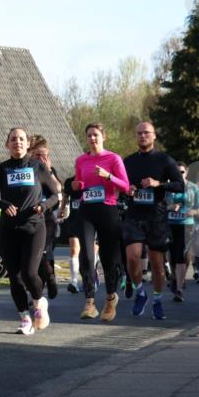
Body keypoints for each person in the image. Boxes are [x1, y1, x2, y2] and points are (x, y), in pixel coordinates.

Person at [0, 127, 59, 335]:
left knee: (29, 273)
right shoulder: (1, 170)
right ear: (7, 144)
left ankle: (38, 301)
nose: (18, 142)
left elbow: (55, 196)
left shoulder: (38, 167)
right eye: (13, 139)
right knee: (14, 278)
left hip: (34, 226)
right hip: (9, 229)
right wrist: (3, 203)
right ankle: (25, 318)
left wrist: (43, 206)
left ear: (27, 144)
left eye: (21, 139)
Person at [122, 122, 184, 320]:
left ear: (154, 136)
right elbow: (121, 185)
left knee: (157, 264)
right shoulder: (128, 161)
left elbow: (180, 186)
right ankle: (140, 291)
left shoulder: (164, 160)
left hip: (156, 216)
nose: (142, 136)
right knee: (132, 257)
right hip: (134, 214)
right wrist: (128, 190)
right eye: (139, 133)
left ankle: (157, 299)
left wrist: (159, 184)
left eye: (146, 133)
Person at [71, 123, 131, 321]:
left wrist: (109, 176)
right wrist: (76, 186)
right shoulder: (81, 160)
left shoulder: (113, 158)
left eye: (96, 135)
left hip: (108, 209)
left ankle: (110, 298)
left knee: (108, 258)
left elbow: (125, 186)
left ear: (103, 136)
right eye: (89, 135)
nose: (92, 139)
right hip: (87, 210)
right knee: (87, 256)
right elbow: (79, 186)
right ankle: (89, 303)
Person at [29, 136, 63, 299]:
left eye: (45, 155)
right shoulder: (27, 169)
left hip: (47, 219)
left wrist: (49, 171)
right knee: (33, 258)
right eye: (38, 155)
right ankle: (46, 281)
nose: (41, 159)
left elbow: (58, 189)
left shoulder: (49, 170)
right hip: (28, 218)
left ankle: (46, 281)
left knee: (43, 254)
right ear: (31, 155)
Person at [166, 162, 199, 302]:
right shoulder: (168, 187)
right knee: (171, 254)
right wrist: (170, 206)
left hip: (186, 225)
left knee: (182, 255)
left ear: (186, 173)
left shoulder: (193, 187)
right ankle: (175, 277)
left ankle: (179, 289)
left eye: (181, 172)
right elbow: (160, 205)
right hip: (170, 224)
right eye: (176, 172)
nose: (179, 174)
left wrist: (193, 211)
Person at [61, 174, 85, 293]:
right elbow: (65, 195)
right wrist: (61, 209)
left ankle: (91, 277)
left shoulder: (92, 179)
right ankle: (74, 282)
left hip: (90, 220)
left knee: (89, 253)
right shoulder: (69, 181)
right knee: (74, 250)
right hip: (74, 219)